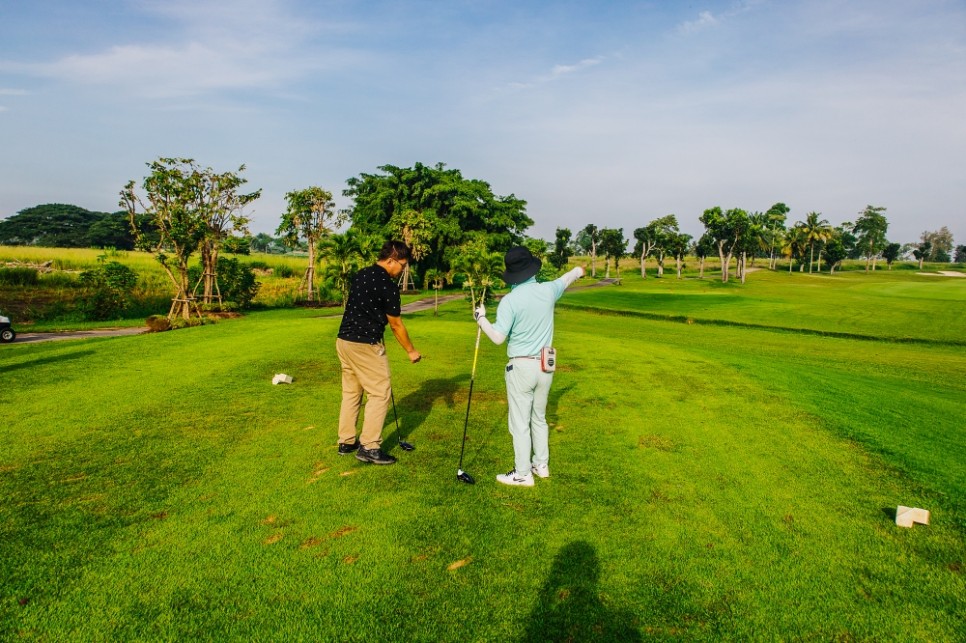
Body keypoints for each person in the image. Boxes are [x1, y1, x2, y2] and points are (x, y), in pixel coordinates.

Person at [474, 246, 584, 486]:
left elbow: (498, 337)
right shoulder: (547, 290)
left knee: (520, 423)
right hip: (546, 365)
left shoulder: (510, 301)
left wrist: (481, 318)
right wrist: (578, 270)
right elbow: (565, 280)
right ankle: (541, 465)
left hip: (521, 367)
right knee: (539, 417)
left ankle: (523, 473)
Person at [336, 240, 422, 465]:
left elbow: (365, 307)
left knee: (352, 392)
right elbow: (396, 325)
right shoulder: (388, 285)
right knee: (379, 393)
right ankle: (370, 447)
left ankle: (346, 441)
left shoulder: (361, 274)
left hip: (344, 341)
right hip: (365, 345)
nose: (402, 270)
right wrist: (411, 351)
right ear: (391, 259)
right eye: (402, 265)